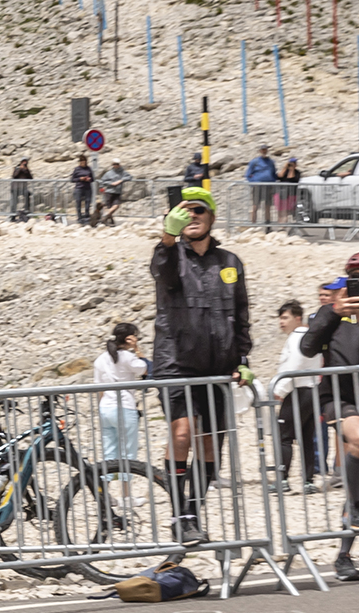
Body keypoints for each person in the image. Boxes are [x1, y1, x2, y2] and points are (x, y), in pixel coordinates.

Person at [149, 184, 252, 545]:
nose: (192, 216)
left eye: (199, 210)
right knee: (182, 434)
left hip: (217, 366)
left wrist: (243, 359)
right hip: (175, 363)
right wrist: (167, 237)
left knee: (209, 445)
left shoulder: (230, 262)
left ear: (212, 217)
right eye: (185, 211)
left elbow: (241, 313)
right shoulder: (170, 256)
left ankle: (192, 510)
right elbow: (161, 272)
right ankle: (180, 513)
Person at [296, 259, 359, 578]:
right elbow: (307, 348)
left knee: (357, 456)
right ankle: (358, 511)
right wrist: (334, 313)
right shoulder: (333, 316)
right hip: (340, 399)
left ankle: (343, 556)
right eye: (355, 278)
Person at [267, 301, 321, 492]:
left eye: (285, 317)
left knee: (284, 436)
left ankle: (282, 479)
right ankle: (308, 480)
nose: (281, 322)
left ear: (297, 318)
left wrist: (279, 391)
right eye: (280, 318)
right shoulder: (310, 336)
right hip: (312, 391)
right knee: (307, 436)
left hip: (297, 391)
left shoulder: (296, 337)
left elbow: (293, 367)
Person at [94, 320, 148, 463]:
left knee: (109, 453)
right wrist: (137, 349)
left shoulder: (100, 359)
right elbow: (147, 369)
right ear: (129, 338)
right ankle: (125, 486)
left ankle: (105, 484)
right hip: (125, 406)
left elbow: (100, 389)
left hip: (105, 408)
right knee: (128, 454)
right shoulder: (128, 357)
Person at [246, 146, 279, 227]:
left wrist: (273, 182)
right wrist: (254, 183)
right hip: (258, 186)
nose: (264, 151)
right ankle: (253, 224)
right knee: (255, 205)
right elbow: (248, 175)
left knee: (268, 206)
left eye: (265, 150)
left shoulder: (271, 162)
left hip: (268, 186)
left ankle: (268, 224)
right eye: (263, 150)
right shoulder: (255, 162)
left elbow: (274, 173)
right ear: (260, 151)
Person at [96, 159, 130, 227]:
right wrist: (111, 183)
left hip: (117, 192)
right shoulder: (108, 173)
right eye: (114, 164)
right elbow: (103, 181)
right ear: (112, 165)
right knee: (108, 207)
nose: (115, 165)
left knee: (116, 205)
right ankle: (110, 221)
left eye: (117, 164)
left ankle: (104, 217)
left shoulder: (123, 172)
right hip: (109, 192)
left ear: (119, 164)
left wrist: (121, 180)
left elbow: (129, 177)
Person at [69, 154, 96, 226]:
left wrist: (89, 179)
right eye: (82, 162)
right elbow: (72, 179)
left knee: (88, 203)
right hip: (79, 188)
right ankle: (79, 218)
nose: (83, 164)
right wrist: (80, 179)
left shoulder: (89, 169)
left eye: (84, 162)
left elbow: (93, 179)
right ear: (80, 162)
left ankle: (87, 217)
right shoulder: (77, 169)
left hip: (87, 188)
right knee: (78, 203)